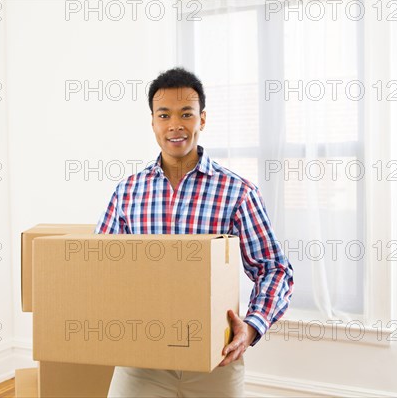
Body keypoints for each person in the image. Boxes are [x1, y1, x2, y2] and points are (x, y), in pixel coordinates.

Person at [95, 67, 294, 397]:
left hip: (215, 362)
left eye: (186, 114)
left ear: (202, 119)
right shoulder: (127, 192)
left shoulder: (237, 192)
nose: (175, 125)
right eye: (164, 115)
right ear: (153, 122)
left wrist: (253, 326)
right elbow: (100, 268)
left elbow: (274, 269)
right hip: (141, 362)